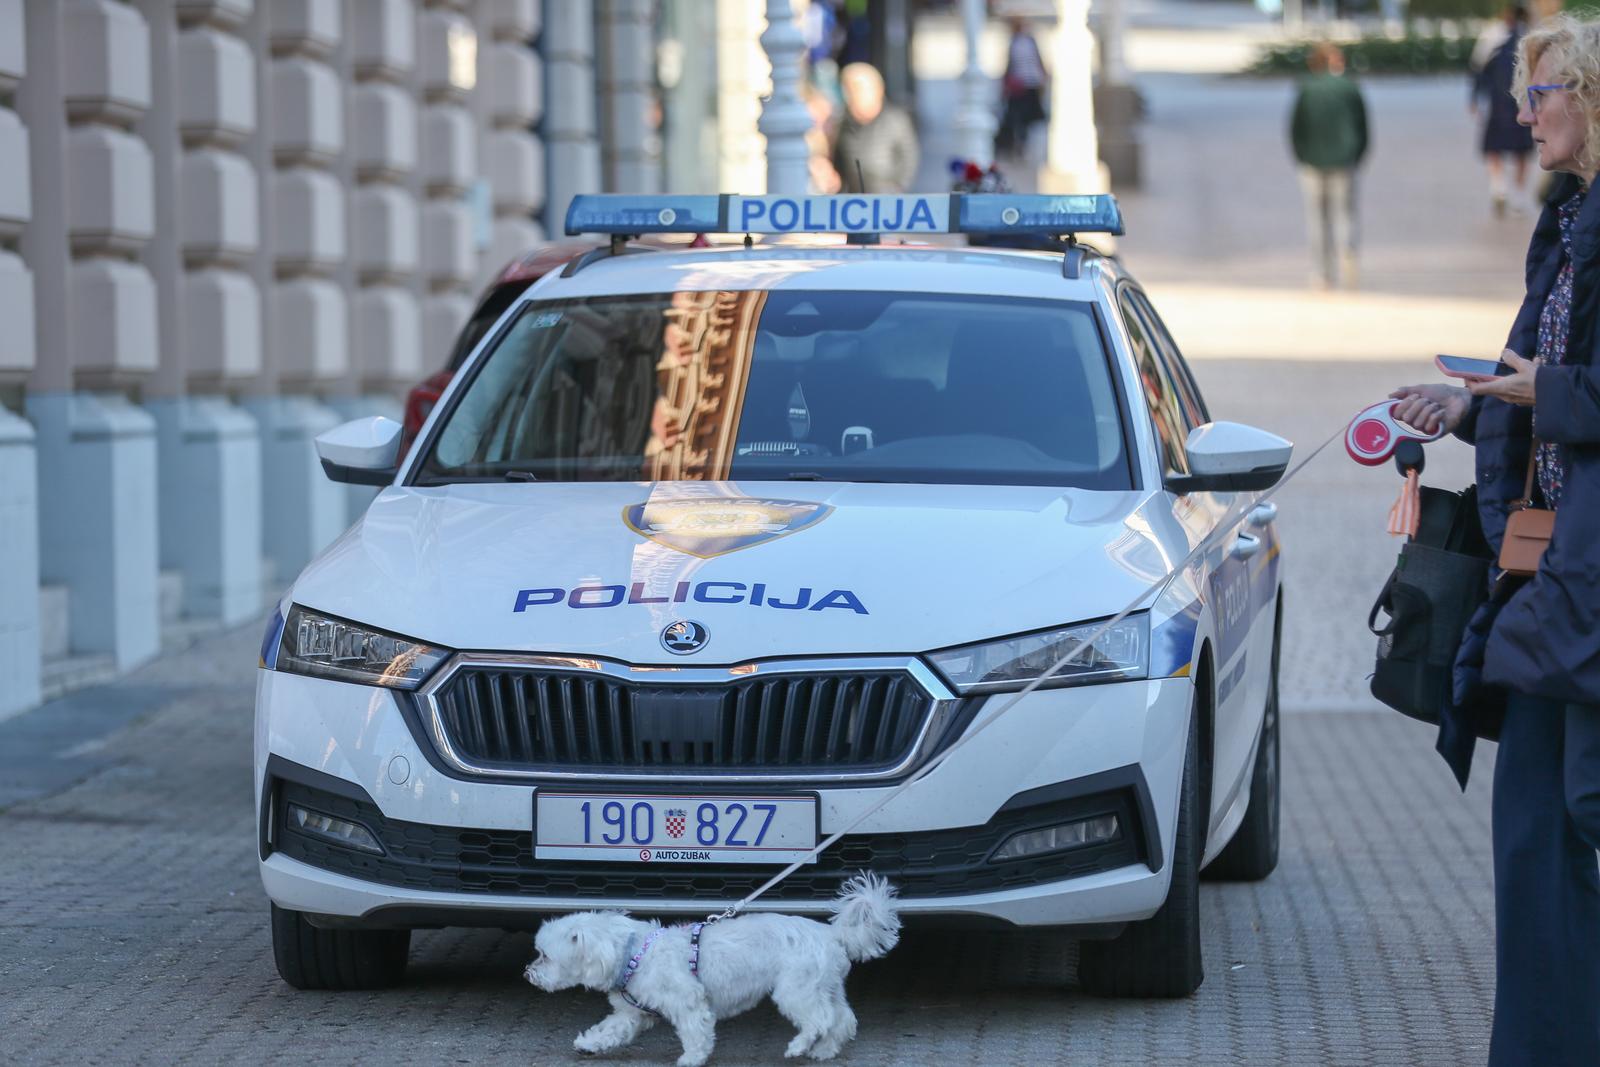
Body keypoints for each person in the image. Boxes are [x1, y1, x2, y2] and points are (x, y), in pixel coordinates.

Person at [1390, 14, 1600, 1066]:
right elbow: (1528, 376)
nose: (1523, 114)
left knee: (1568, 815)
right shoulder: (1565, 227)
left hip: (1589, 578)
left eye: (1543, 92)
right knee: (1530, 828)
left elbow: (1564, 385)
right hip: (1547, 571)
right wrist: (1461, 402)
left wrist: (1543, 388)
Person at [1289, 42, 1369, 289]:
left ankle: (1322, 273)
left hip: (1312, 162)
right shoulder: (1350, 88)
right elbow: (1363, 128)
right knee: (1345, 214)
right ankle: (1347, 251)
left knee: (1317, 219)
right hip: (1344, 161)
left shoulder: (1306, 90)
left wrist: (1302, 156)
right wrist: (1357, 155)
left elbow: (1295, 129)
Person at [1472, 4, 1537, 216]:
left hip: (1498, 103)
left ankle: (1499, 187)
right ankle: (1517, 195)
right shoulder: (1533, 39)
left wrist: (1474, 99)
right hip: (1522, 103)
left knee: (1494, 148)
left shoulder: (1492, 38)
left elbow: (1478, 70)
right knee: (1521, 151)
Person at [831, 62, 919, 194]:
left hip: (887, 196)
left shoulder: (895, 120)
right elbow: (838, 158)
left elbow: (909, 157)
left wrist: (897, 186)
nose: (851, 97)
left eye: (857, 89)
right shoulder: (843, 123)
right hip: (854, 198)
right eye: (847, 90)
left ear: (877, 90)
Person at [995, 16, 1048, 159]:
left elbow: (1037, 61)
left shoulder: (1026, 42)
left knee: (1024, 117)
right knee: (1019, 117)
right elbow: (1011, 65)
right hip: (1021, 85)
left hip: (1027, 84)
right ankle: (1017, 143)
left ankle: (1020, 143)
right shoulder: (1018, 42)